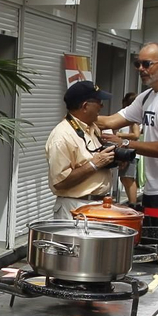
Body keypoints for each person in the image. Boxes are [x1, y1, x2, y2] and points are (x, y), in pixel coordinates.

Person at [96, 42, 158, 241]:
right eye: (137, 64)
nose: (141, 69)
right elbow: (111, 120)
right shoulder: (147, 97)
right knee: (153, 250)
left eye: (147, 64)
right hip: (154, 188)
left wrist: (126, 143)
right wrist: (79, 114)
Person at [44, 80, 116, 216]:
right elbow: (59, 182)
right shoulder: (62, 135)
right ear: (85, 106)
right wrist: (94, 164)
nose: (102, 106)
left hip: (98, 205)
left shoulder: (92, 128)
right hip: (75, 207)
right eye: (98, 101)